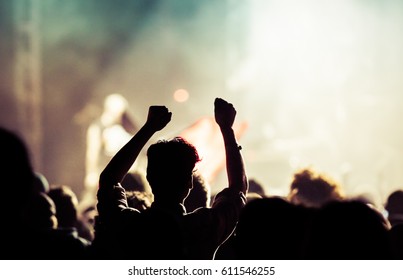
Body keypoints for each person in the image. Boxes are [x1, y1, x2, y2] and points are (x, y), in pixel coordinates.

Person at [92, 97, 248, 259]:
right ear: (190, 183)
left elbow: (108, 181)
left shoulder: (130, 226)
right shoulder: (203, 228)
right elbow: (238, 189)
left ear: (149, 177)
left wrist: (149, 128)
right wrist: (227, 130)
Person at [82, 93, 138, 209]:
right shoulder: (97, 127)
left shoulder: (121, 128)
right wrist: (91, 173)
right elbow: (92, 153)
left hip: (119, 173)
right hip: (103, 172)